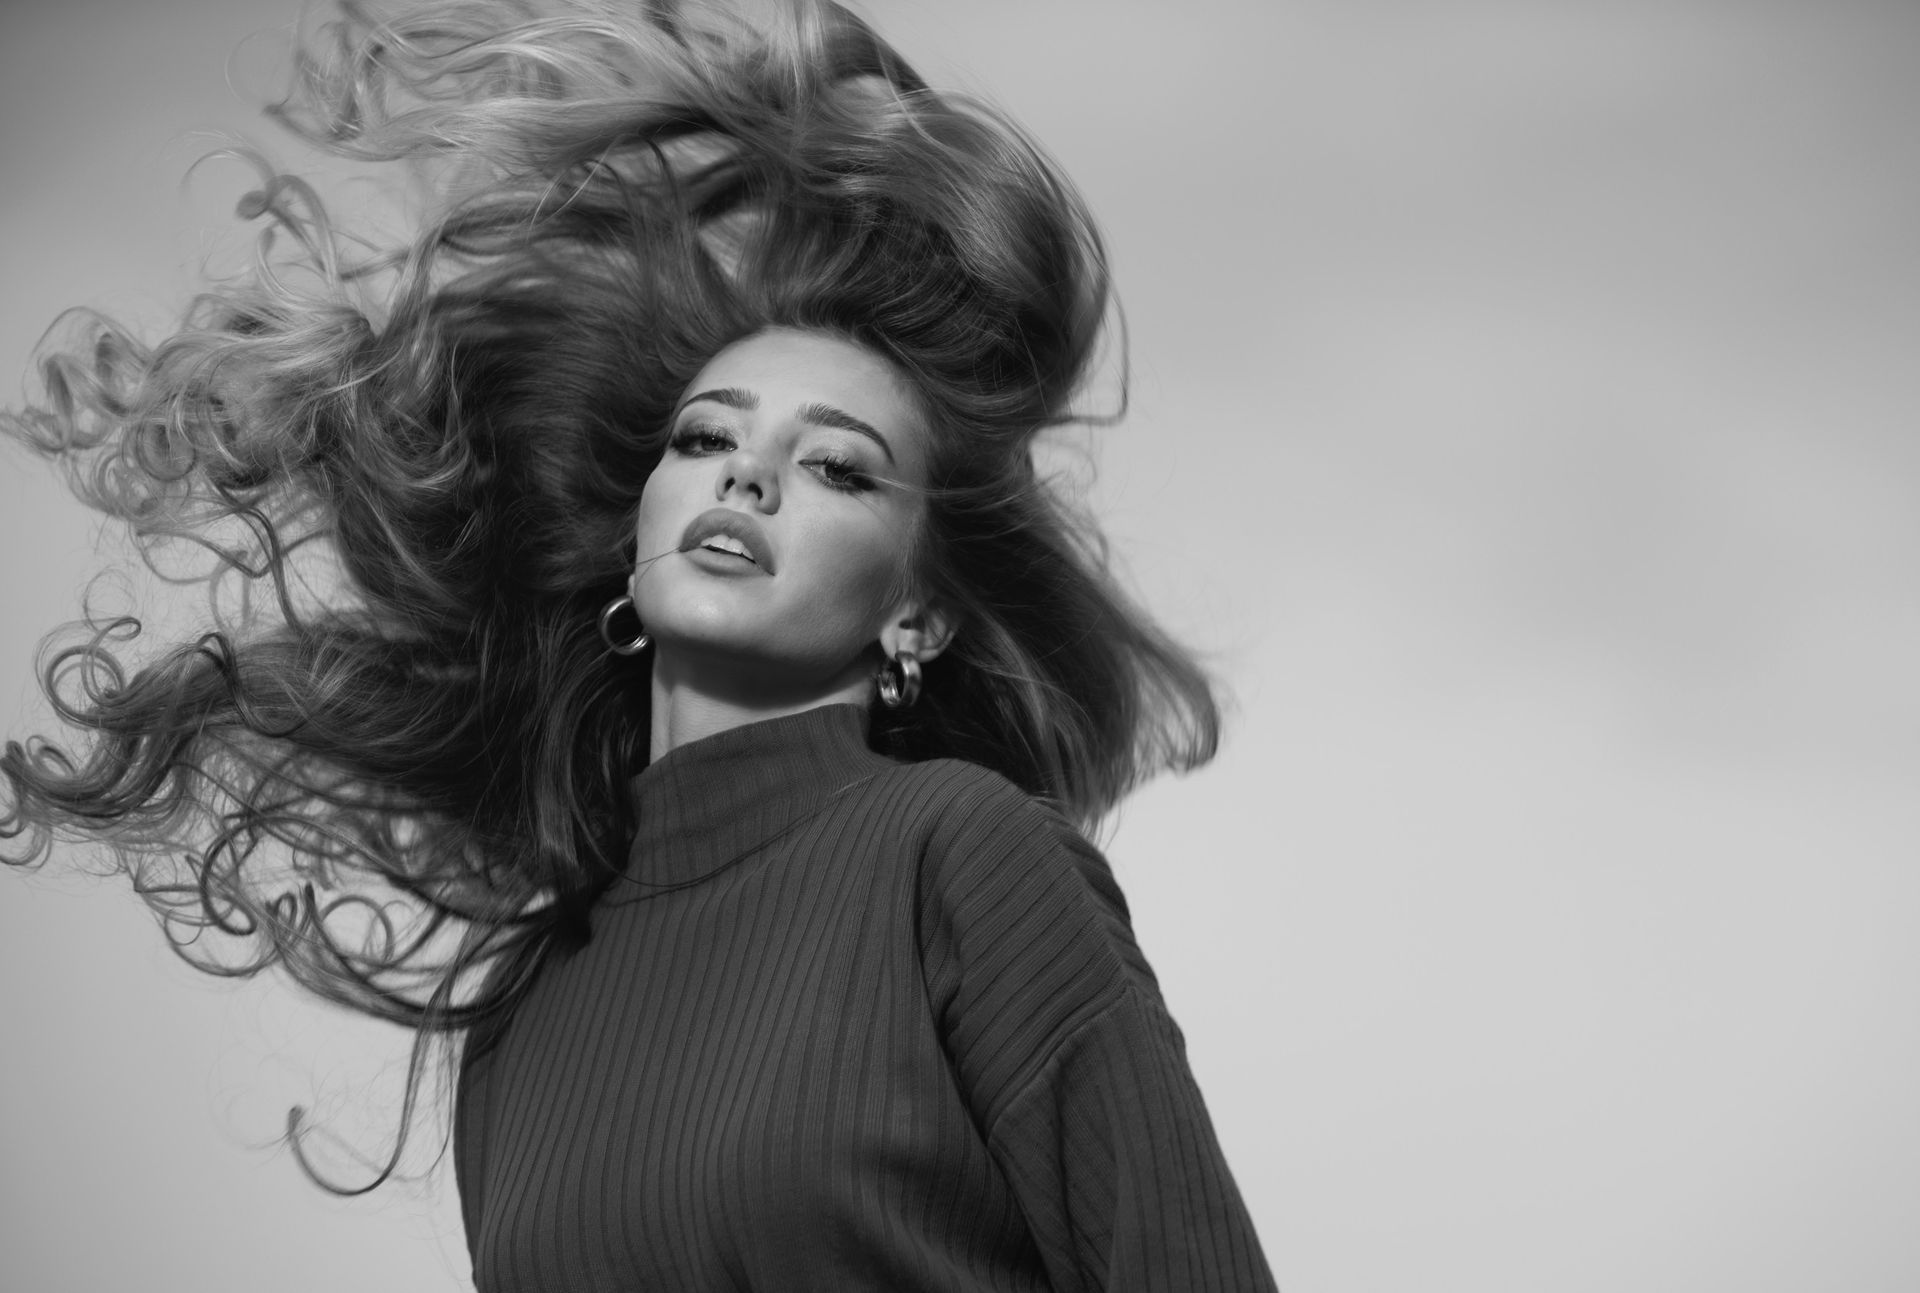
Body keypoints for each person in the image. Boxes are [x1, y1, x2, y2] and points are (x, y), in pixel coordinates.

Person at [1, 0, 1278, 1287]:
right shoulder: (523, 1005)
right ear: (637, 530)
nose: (749, 481)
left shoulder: (961, 857)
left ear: (919, 612)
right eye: (706, 439)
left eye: (837, 466)